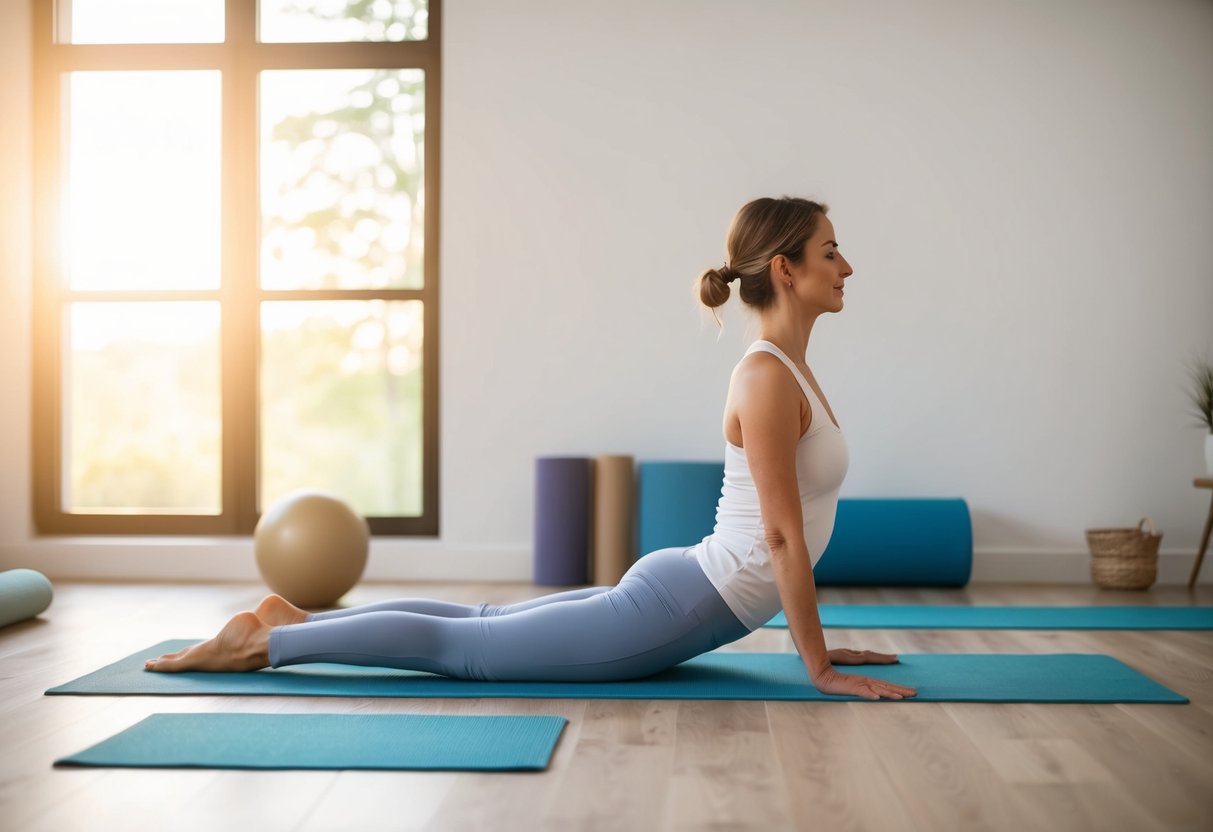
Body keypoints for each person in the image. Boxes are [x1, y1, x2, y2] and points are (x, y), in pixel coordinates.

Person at [146, 195, 917, 701]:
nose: (846, 266)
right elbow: (779, 535)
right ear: (784, 269)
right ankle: (266, 643)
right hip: (680, 604)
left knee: (480, 620)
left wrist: (820, 643)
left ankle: (297, 619)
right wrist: (816, 665)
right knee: (468, 652)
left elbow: (785, 528)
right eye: (829, 250)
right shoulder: (765, 378)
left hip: (689, 587)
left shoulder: (787, 370)